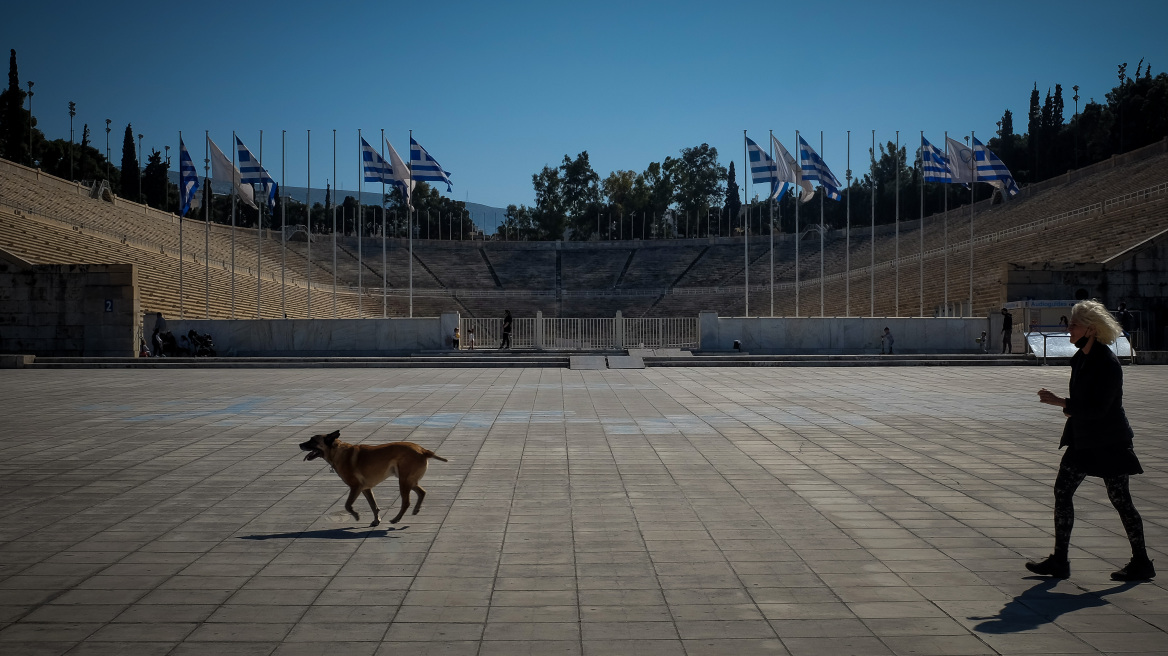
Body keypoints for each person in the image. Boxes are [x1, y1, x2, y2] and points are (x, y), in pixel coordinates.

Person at [1028, 300, 1154, 581]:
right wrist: (1067, 406)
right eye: (1069, 323)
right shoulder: (1081, 358)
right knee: (1062, 492)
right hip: (1083, 440)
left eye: (1073, 324)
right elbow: (1086, 404)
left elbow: (1100, 409)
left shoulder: (1107, 363)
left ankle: (1142, 562)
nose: (1068, 329)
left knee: (1121, 500)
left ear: (1092, 330)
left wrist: (1062, 402)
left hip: (1110, 442)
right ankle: (1060, 560)